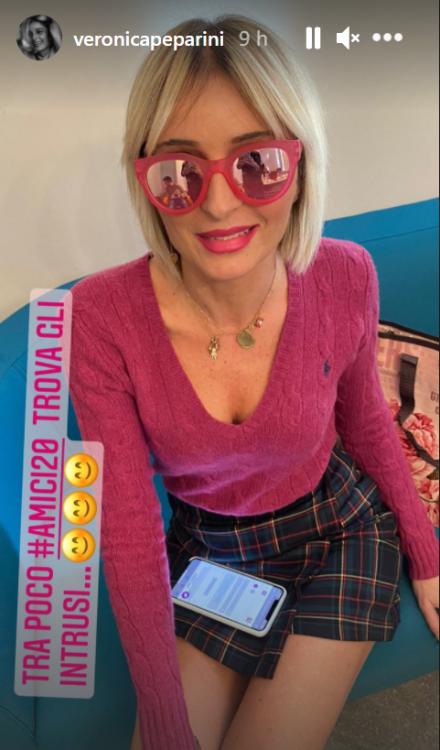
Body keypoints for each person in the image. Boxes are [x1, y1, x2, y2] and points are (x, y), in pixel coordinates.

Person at [67, 13, 440, 750]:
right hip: (212, 552)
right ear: (145, 180)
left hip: (340, 528)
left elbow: (367, 423)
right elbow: (128, 526)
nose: (217, 202)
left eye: (258, 161)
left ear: (299, 166)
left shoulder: (345, 274)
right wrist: (164, 718)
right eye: (179, 171)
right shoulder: (100, 318)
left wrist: (425, 553)